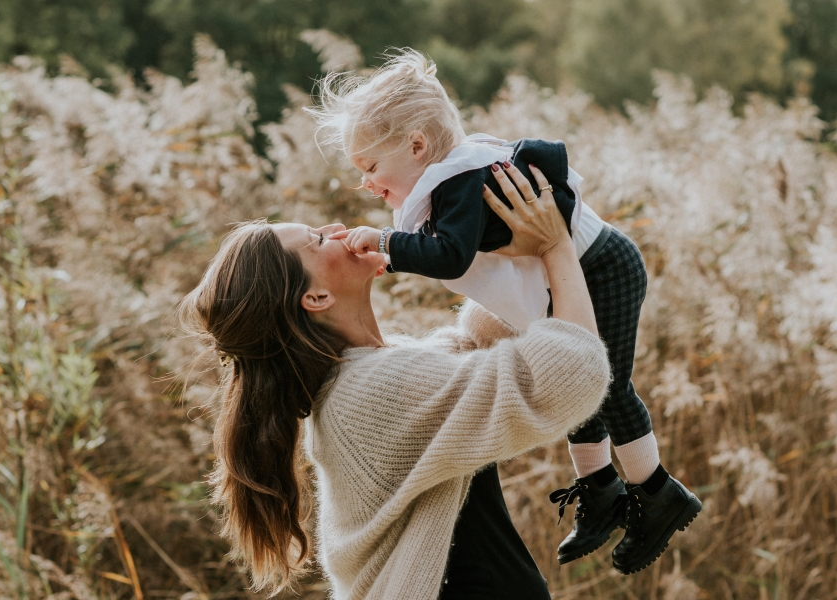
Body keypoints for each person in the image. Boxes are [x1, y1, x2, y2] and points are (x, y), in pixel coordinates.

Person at [308, 48, 701, 574]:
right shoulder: (447, 183)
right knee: (579, 390)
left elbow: (451, 253)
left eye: (371, 167)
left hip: (603, 266)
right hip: (575, 272)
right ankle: (601, 489)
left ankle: (657, 494)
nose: (366, 183)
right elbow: (452, 248)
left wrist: (388, 241)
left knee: (607, 387)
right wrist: (391, 251)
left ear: (418, 145)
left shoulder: (458, 181)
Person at [178, 165, 610, 599]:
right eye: (319, 239)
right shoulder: (370, 392)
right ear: (316, 298)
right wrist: (555, 247)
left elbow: (471, 346)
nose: (337, 228)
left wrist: (487, 245)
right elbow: (569, 373)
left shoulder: (367, 373)